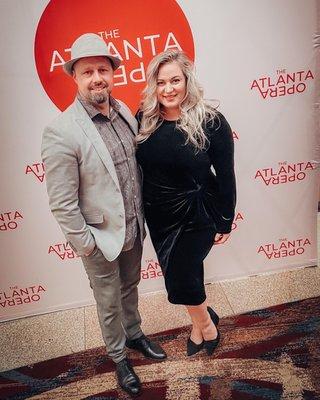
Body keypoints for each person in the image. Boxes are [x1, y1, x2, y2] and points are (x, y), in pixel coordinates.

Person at [41, 33, 166, 397]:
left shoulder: (124, 112)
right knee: (107, 300)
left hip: (132, 229)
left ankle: (135, 334)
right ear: (75, 78)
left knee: (130, 287)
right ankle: (118, 357)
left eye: (102, 70)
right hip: (99, 239)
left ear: (113, 74)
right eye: (87, 71)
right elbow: (62, 202)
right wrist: (86, 246)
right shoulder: (61, 131)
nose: (97, 78)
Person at [136, 50, 236, 357]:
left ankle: (206, 325)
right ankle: (201, 322)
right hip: (160, 216)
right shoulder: (144, 119)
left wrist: (225, 219)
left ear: (187, 81)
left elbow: (226, 175)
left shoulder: (212, 122)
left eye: (175, 80)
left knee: (181, 277)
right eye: (161, 82)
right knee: (187, 274)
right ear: (153, 85)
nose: (168, 89)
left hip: (199, 213)